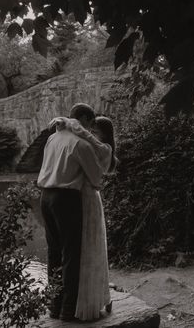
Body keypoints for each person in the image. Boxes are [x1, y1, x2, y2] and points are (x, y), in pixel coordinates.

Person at [37, 103, 104, 322]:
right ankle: (67, 310)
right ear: (83, 119)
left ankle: (54, 306)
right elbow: (96, 180)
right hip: (66, 200)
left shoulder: (52, 138)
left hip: (45, 197)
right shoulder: (80, 144)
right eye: (90, 124)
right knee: (71, 255)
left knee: (53, 252)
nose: (90, 130)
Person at [51, 115, 117, 321]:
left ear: (105, 133)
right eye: (92, 128)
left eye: (96, 129)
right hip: (78, 198)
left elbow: (96, 175)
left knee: (88, 249)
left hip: (87, 198)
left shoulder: (103, 148)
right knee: (78, 250)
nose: (92, 132)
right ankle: (69, 301)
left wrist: (73, 124)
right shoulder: (88, 144)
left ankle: (87, 300)